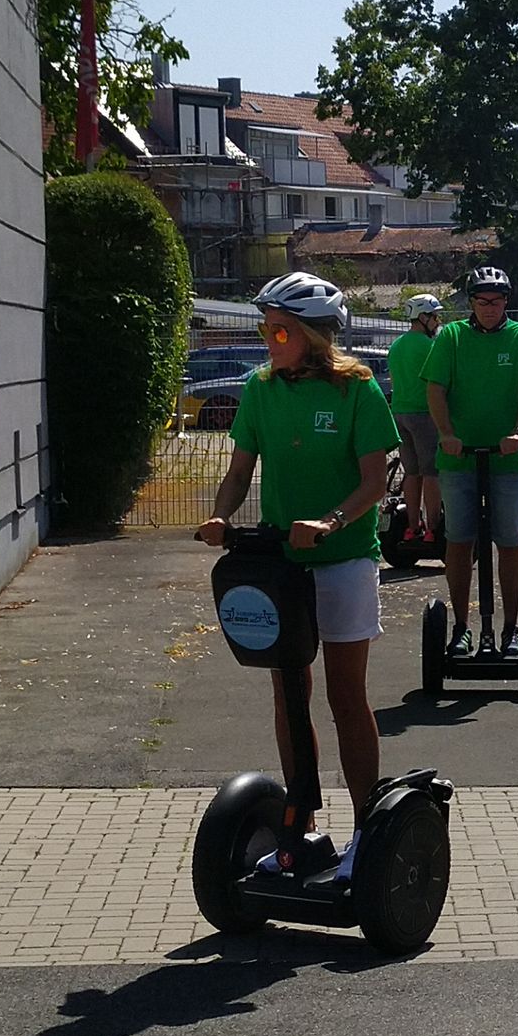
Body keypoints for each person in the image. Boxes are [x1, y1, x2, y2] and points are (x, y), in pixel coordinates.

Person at [195, 271, 399, 846]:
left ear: (313, 335)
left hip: (345, 559)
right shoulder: (261, 388)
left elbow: (374, 483)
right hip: (281, 562)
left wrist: (331, 521)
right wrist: (222, 516)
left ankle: (368, 826)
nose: (270, 340)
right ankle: (300, 818)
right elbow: (239, 471)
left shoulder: (357, 389)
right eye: (267, 329)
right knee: (289, 689)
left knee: (344, 695)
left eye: (281, 332)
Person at [423, 266, 518, 661]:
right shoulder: (451, 337)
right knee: (459, 541)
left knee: (508, 541)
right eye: (481, 302)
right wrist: (446, 433)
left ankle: (510, 628)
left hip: (507, 460)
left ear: (506, 302)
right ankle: (461, 627)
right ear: (471, 303)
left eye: (496, 301)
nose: (489, 308)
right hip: (458, 458)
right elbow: (435, 390)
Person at [385, 293, 445, 550]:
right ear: (423, 317)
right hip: (424, 414)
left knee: (412, 472)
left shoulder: (396, 345)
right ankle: (433, 528)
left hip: (399, 413)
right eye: (434, 316)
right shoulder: (430, 346)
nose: (437, 321)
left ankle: (412, 527)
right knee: (432, 472)